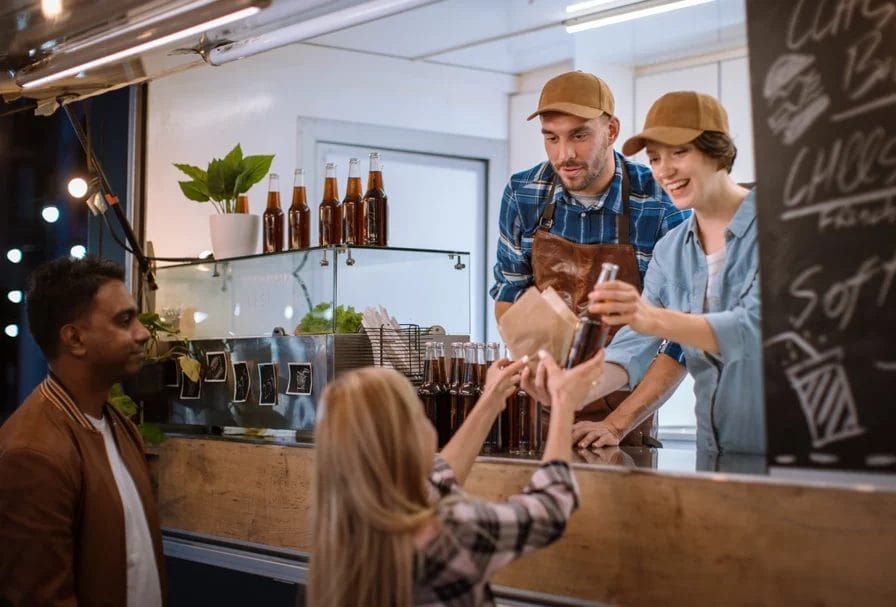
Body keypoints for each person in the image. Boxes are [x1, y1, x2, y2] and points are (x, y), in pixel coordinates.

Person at [306, 350, 605, 607]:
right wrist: (563, 403)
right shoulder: (449, 531)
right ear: (405, 442)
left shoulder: (347, 530)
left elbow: (437, 478)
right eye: (420, 415)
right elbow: (550, 508)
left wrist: (491, 400)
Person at [490, 69, 686, 445]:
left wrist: (615, 426)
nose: (564, 155)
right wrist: (541, 376)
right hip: (540, 409)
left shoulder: (662, 204)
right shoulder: (524, 193)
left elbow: (679, 339)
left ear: (611, 131)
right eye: (551, 138)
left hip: (625, 417)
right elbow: (509, 296)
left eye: (579, 135)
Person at [568, 91, 764, 454]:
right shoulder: (671, 250)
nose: (664, 170)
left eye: (679, 152)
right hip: (714, 452)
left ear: (717, 150)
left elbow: (753, 334)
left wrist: (650, 318)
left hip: (786, 459)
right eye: (655, 158)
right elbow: (632, 348)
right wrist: (572, 387)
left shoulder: (778, 232)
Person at [0, 256, 165, 605]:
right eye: (124, 320)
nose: (143, 332)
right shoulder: (32, 453)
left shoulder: (118, 425)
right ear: (74, 338)